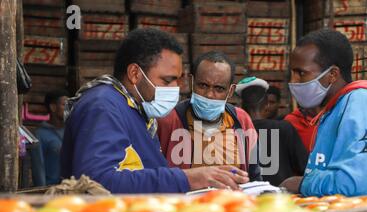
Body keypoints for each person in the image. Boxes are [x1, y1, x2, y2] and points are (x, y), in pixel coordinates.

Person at [61, 28, 249, 193]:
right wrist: (187, 179)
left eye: (177, 79)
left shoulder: (136, 109)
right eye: (167, 80)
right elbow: (95, 183)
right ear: (135, 74)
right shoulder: (103, 107)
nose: (177, 88)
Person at [280, 29, 367, 199]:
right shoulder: (334, 109)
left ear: (332, 75)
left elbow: (360, 184)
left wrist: (302, 183)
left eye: (301, 73)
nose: (293, 82)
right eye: (292, 73)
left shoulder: (360, 103)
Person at [157, 51, 261, 181]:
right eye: (203, 85)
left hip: (233, 200)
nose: (210, 94)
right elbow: (155, 176)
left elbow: (255, 175)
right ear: (191, 82)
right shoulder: (168, 120)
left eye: (219, 88)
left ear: (230, 91)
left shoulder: (241, 120)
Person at [236, 77, 308, 186]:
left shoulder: (235, 133)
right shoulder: (285, 128)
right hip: (280, 199)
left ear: (241, 107)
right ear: (267, 104)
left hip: (246, 199)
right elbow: (305, 168)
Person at [30, 89, 68, 186]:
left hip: (70, 190)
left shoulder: (70, 131)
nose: (68, 108)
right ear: (53, 107)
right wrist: (42, 194)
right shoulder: (40, 135)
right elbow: (38, 168)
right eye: (64, 105)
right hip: (51, 191)